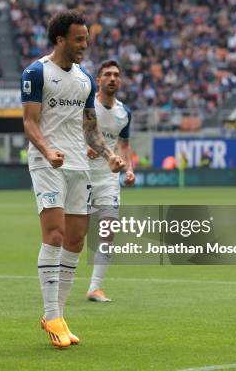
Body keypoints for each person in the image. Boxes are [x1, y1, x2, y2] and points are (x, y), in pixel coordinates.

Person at [21, 10, 125, 348]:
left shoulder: (84, 79)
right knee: (54, 234)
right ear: (60, 39)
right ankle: (51, 314)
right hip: (47, 163)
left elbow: (90, 128)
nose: (85, 44)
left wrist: (109, 155)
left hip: (79, 164)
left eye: (86, 39)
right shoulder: (37, 72)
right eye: (79, 39)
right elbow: (30, 122)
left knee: (76, 240)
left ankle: (59, 315)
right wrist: (48, 151)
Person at [85, 60, 135, 303]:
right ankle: (58, 282)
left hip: (108, 178)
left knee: (108, 231)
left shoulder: (124, 113)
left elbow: (123, 145)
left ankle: (95, 287)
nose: (112, 78)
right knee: (74, 234)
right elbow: (73, 130)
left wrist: (129, 169)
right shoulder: (87, 104)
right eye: (107, 74)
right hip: (81, 174)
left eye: (116, 74)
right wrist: (84, 146)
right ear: (99, 80)